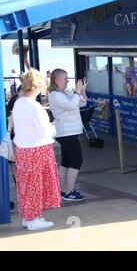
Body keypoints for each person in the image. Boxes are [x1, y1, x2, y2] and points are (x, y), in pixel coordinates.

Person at [12, 69, 60, 230]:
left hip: (23, 149)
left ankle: (29, 216)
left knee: (27, 184)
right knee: (37, 183)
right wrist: (52, 129)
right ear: (38, 86)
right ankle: (34, 218)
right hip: (37, 149)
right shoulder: (34, 106)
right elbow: (43, 131)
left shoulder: (19, 103)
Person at [48, 69, 88, 201]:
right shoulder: (54, 95)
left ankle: (62, 190)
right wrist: (77, 92)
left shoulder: (68, 92)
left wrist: (82, 90)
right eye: (64, 78)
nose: (67, 80)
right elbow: (70, 106)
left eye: (67, 78)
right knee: (77, 160)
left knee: (66, 161)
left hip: (71, 131)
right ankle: (69, 191)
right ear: (56, 80)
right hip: (66, 132)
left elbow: (83, 103)